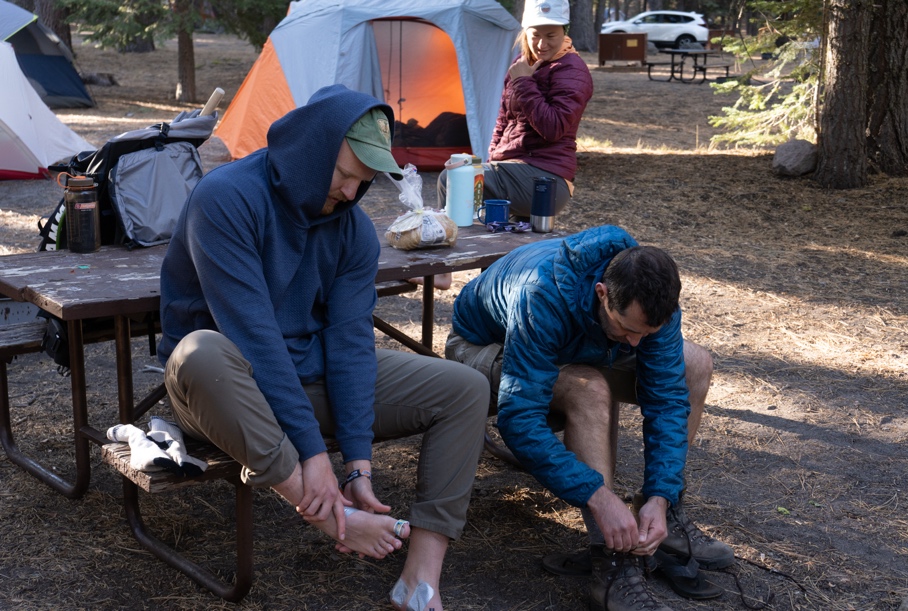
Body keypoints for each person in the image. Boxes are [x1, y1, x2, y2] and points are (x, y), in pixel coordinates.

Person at [157, 84, 490, 611]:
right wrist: (313, 456)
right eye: (346, 174)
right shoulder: (226, 199)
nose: (352, 192)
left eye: (364, 181)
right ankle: (329, 516)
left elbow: (351, 341)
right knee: (201, 352)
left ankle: (420, 577)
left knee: (466, 388)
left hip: (305, 381)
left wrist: (357, 465)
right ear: (313, 149)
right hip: (227, 392)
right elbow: (254, 339)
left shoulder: (353, 229)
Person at [445, 225, 734, 611]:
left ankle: (659, 519)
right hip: (486, 344)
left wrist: (661, 494)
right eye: (629, 330)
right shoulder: (541, 294)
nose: (636, 343)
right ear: (602, 293)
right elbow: (519, 419)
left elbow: (666, 399)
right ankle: (611, 559)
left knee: (693, 363)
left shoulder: (653, 300)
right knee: (589, 387)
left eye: (645, 334)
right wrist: (597, 496)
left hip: (581, 340)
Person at [424, 0, 593, 291]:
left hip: (546, 180)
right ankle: (488, 291)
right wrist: (485, 164)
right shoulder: (520, 67)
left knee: (450, 180)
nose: (541, 43)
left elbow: (554, 128)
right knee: (471, 186)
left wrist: (525, 84)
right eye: (535, 34)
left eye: (550, 35)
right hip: (512, 169)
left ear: (565, 31)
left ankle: (442, 269)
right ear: (525, 32)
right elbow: (502, 124)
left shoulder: (572, 70)